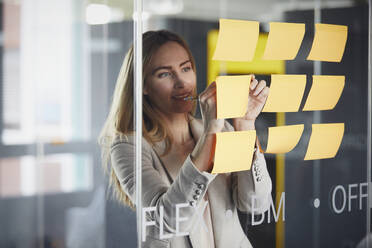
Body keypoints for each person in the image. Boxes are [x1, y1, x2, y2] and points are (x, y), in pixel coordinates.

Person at [99, 30, 272, 248]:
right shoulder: (127, 147)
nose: (182, 82)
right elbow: (168, 219)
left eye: (186, 68)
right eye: (165, 74)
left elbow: (257, 205)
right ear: (142, 86)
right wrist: (210, 134)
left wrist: (246, 124)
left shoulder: (224, 129)